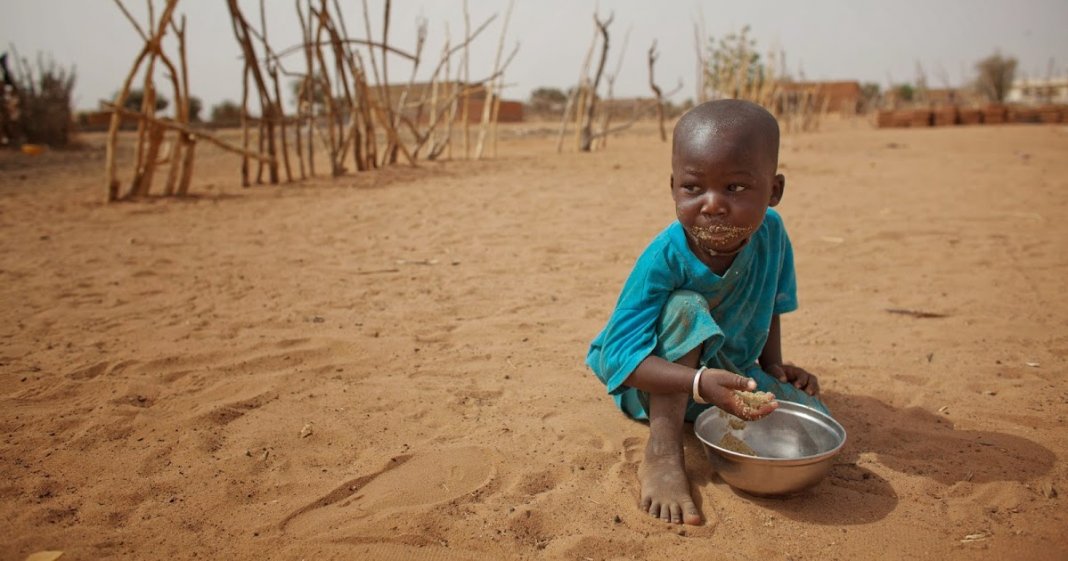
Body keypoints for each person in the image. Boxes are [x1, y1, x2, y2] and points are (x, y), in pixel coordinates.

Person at [586, 99, 829, 525]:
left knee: (815, 418)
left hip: (727, 379)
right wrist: (697, 381)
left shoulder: (771, 234)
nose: (712, 204)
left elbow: (771, 300)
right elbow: (616, 360)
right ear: (673, 186)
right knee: (685, 306)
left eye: (735, 188)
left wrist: (773, 366)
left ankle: (715, 402)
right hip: (652, 384)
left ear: (773, 192)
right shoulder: (665, 257)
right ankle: (662, 453)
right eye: (693, 188)